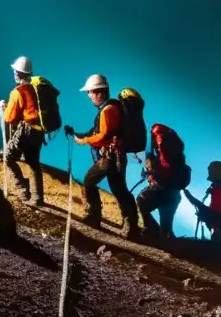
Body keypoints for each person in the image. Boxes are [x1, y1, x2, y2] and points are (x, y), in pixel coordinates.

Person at [66, 73, 140, 240]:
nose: (89, 95)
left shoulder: (107, 110)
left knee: (89, 181)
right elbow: (98, 132)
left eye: (90, 92)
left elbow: (102, 136)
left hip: (110, 156)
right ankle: (131, 227)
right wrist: (79, 135)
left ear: (99, 92)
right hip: (116, 155)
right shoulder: (111, 108)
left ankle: (94, 217)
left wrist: (84, 141)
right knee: (119, 189)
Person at [0, 56, 44, 206]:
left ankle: (22, 189)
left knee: (8, 158)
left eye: (14, 71)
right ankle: (37, 198)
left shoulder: (17, 92)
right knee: (33, 163)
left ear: (18, 74)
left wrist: (4, 108)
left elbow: (9, 117)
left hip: (26, 130)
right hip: (39, 130)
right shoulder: (35, 89)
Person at [136, 124, 188, 239]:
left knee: (142, 200)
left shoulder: (154, 142)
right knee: (166, 227)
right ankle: (167, 239)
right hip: (174, 194)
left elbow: (151, 160)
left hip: (160, 188)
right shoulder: (177, 152)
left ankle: (151, 230)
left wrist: (150, 172)